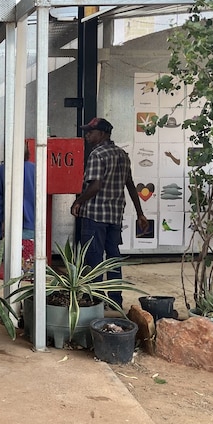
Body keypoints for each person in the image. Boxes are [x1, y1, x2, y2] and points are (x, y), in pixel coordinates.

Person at [70, 117, 148, 306]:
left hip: (94, 216)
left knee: (94, 258)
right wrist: (140, 213)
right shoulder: (122, 155)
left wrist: (78, 201)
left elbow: (95, 186)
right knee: (113, 258)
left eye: (91, 131)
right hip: (114, 217)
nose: (87, 135)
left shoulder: (97, 155)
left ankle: (95, 300)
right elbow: (130, 185)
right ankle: (114, 301)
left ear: (103, 134)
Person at [0, 142, 36, 241]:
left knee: (10, 256)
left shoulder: (0, 171)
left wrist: (4, 219)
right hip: (33, 224)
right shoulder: (36, 169)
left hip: (8, 225)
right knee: (29, 256)